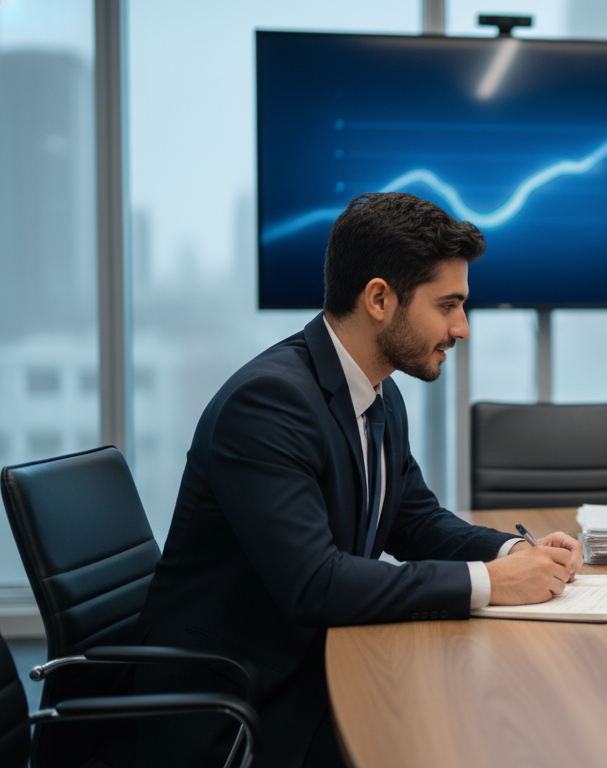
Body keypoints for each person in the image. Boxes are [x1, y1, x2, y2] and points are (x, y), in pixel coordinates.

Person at [131, 192, 583, 767]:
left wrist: (517, 552)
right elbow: (315, 583)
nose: (462, 328)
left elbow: (413, 519)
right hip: (232, 704)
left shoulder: (379, 392)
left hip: (307, 666)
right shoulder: (269, 402)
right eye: (448, 305)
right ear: (378, 299)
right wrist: (492, 582)